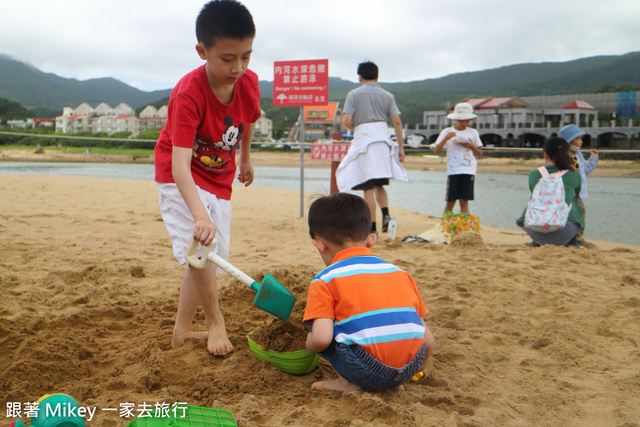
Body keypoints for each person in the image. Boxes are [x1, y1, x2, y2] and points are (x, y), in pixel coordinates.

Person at [154, 0, 261, 356]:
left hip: (219, 178)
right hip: (179, 174)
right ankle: (216, 324)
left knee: (207, 255)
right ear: (202, 51)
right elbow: (179, 166)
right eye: (228, 59)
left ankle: (182, 332)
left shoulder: (248, 83)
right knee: (201, 246)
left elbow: (248, 119)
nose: (238, 67)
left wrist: (245, 157)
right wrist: (200, 215)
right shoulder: (188, 94)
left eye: (246, 56)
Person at [303, 193, 435, 392]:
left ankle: (347, 383)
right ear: (371, 239)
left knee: (320, 323)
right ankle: (393, 384)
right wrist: (417, 366)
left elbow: (322, 338)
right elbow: (428, 338)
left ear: (319, 244)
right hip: (410, 367)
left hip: (367, 369)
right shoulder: (401, 273)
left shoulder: (325, 279)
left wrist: (308, 345)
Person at [335, 61, 407, 235]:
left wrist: (358, 128)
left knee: (368, 187)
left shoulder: (353, 94)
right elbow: (396, 121)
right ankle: (386, 215)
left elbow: (346, 121)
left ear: (360, 76)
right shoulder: (387, 95)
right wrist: (401, 148)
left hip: (365, 144)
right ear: (377, 76)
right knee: (380, 184)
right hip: (382, 143)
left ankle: (372, 227)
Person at [516, 138, 584, 247]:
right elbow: (577, 193)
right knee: (576, 201)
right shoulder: (574, 175)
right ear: (567, 154)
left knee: (536, 199)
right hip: (565, 232)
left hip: (535, 230)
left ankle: (536, 241)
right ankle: (574, 241)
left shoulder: (534, 173)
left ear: (545, 155)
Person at [433, 102, 483, 214]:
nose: (464, 123)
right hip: (453, 170)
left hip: (468, 170)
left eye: (467, 120)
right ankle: (445, 226)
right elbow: (436, 150)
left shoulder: (473, 132)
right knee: (450, 201)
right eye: (461, 120)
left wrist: (470, 146)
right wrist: (446, 138)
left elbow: (479, 153)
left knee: (464, 201)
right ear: (455, 119)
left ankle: (464, 227)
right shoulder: (447, 132)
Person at [558, 124, 599, 248]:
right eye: (579, 139)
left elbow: (585, 171)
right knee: (569, 214)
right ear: (570, 141)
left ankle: (576, 238)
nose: (581, 142)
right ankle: (568, 238)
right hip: (567, 192)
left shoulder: (578, 156)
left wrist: (593, 159)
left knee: (580, 212)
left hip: (578, 192)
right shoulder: (563, 156)